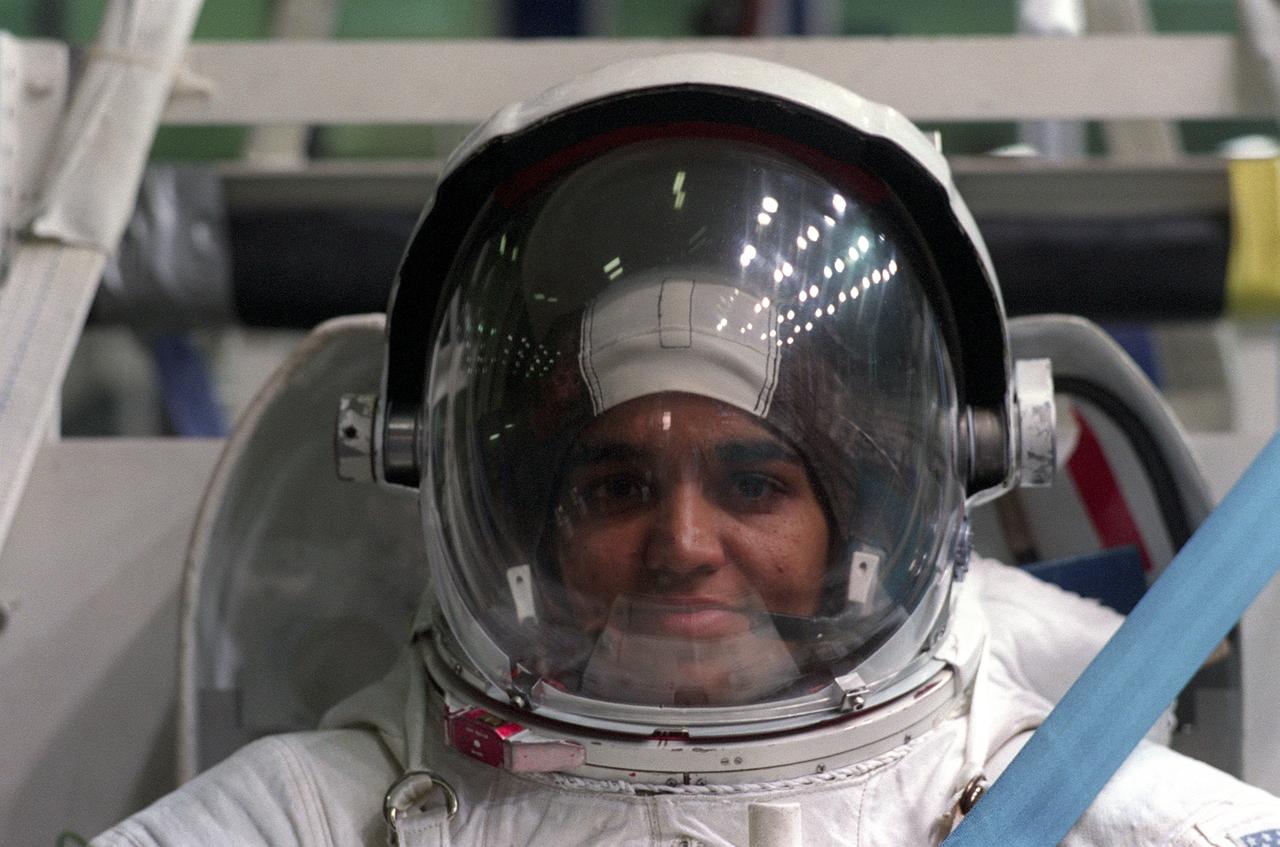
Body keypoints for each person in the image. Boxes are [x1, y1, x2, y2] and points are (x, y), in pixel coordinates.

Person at [93, 53, 1280, 847]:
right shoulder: (330, 809)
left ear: (859, 523)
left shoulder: (1070, 804)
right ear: (527, 524)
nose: (681, 543)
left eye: (753, 482)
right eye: (615, 483)